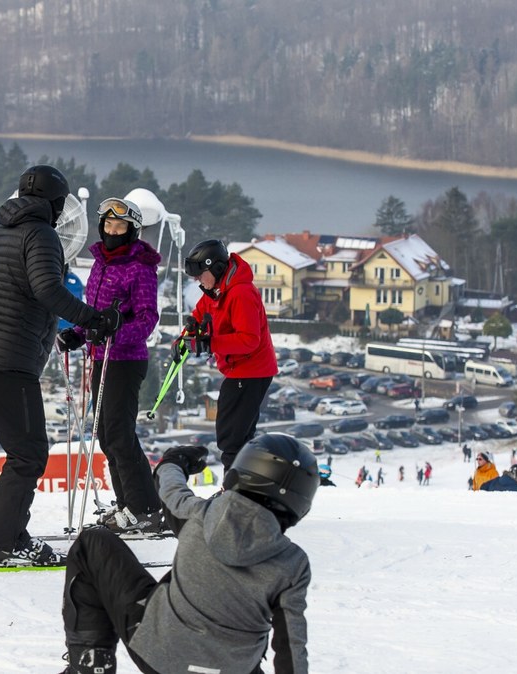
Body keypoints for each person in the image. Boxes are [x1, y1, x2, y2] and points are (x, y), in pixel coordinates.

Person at [0, 164, 120, 563]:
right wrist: (94, 319)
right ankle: (5, 541)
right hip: (10, 360)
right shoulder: (41, 235)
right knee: (28, 454)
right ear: (56, 203)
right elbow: (48, 289)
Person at [59, 434, 316, 674]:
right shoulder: (292, 564)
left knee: (91, 544)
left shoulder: (199, 515)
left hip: (159, 656)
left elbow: (170, 487)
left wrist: (175, 460)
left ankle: (89, 664)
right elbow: (290, 646)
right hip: (233, 668)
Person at [56, 196, 163, 535]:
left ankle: (145, 508)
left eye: (120, 226)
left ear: (132, 230)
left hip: (126, 360)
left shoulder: (139, 266)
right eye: (108, 225)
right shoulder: (101, 263)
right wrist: (78, 333)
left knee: (119, 436)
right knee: (107, 436)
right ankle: (128, 504)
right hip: (101, 358)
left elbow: (147, 319)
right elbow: (96, 314)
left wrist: (116, 331)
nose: (112, 231)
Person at [183, 239, 278, 470]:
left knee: (232, 437)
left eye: (200, 274)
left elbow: (249, 340)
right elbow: (198, 316)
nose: (197, 281)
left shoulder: (241, 293)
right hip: (240, 370)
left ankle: (234, 490)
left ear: (215, 268)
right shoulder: (216, 291)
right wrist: (184, 339)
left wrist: (210, 343)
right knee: (236, 435)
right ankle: (242, 488)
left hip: (251, 371)